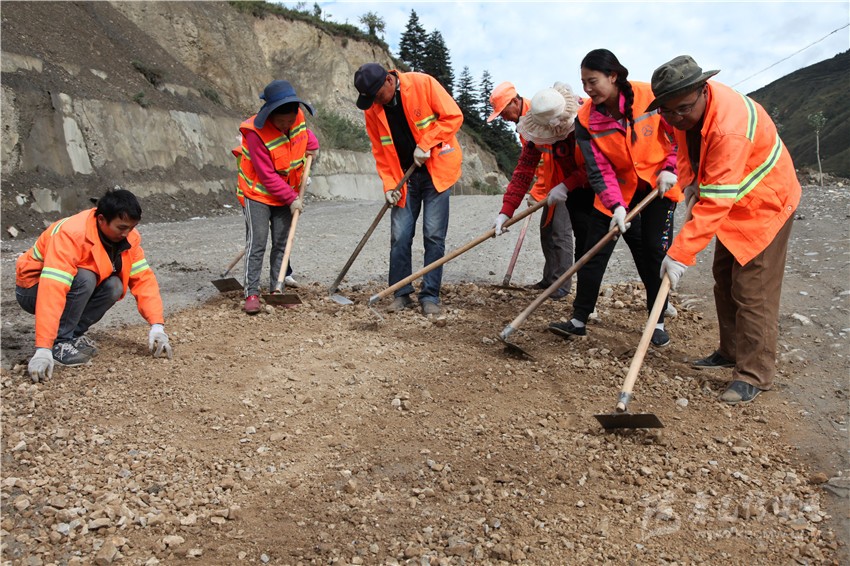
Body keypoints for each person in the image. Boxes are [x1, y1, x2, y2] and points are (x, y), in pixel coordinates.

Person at [649, 55, 801, 404]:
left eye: (683, 109)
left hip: (766, 203)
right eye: (668, 111)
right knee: (723, 275)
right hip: (735, 203)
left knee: (753, 288)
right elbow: (684, 152)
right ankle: (730, 351)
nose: (676, 117)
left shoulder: (729, 126)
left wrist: (680, 254)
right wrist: (689, 183)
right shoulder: (683, 112)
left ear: (703, 90)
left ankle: (754, 373)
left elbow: (717, 201)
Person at [548, 49, 682, 347]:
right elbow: (598, 169)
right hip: (619, 189)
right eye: (583, 83)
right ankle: (579, 320)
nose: (588, 89)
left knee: (654, 252)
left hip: (659, 184)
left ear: (613, 76)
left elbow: (678, 135)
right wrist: (616, 205)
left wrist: (671, 167)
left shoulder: (650, 96)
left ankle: (657, 322)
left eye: (592, 81)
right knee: (594, 251)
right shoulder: (586, 119)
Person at [15, 188, 173, 383]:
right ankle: (59, 342)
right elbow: (52, 288)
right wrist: (43, 348)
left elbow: (143, 280)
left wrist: (157, 325)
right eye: (122, 227)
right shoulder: (71, 234)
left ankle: (71, 336)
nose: (127, 233)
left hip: (69, 287)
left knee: (115, 286)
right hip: (32, 289)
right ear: (101, 220)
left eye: (131, 227)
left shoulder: (129, 238)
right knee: (85, 278)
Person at [353, 62, 463, 316]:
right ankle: (401, 293)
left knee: (433, 235)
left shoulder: (423, 84)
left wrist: (426, 143)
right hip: (404, 177)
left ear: (389, 81)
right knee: (400, 235)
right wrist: (389, 185)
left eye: (377, 95)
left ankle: (430, 295)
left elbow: (453, 116)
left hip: (436, 171)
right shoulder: (373, 109)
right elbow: (380, 151)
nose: (375, 102)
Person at [488, 81, 594, 298]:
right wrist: (506, 211)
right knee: (548, 231)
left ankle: (565, 287)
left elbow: (594, 165)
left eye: (503, 111)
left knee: (566, 234)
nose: (503, 117)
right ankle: (552, 281)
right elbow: (525, 169)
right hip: (557, 185)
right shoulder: (535, 123)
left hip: (591, 186)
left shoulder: (584, 122)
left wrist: (564, 186)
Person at [236, 80, 319, 314]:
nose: (286, 126)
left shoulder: (297, 119)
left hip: (286, 193)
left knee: (282, 243)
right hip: (258, 194)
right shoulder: (255, 133)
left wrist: (313, 148)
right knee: (257, 243)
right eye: (281, 122)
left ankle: (277, 290)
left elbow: (306, 137)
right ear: (270, 114)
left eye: (289, 121)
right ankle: (251, 293)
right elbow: (267, 175)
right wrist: (292, 199)